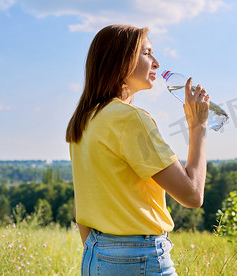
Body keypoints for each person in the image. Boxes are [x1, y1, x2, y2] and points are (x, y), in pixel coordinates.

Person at [66, 24, 209, 275]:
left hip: (95, 256)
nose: (156, 62)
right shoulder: (130, 119)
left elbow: (81, 205)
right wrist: (197, 127)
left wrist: (103, 252)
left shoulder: (85, 119)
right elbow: (192, 195)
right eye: (146, 53)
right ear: (120, 62)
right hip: (141, 259)